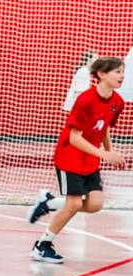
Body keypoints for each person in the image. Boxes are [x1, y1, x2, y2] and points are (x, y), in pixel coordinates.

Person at [29, 56, 126, 263]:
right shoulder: (85, 100)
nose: (122, 75)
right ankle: (42, 245)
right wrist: (104, 154)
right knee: (73, 204)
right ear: (101, 75)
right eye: (117, 71)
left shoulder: (118, 102)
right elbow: (74, 138)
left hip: (90, 159)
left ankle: (49, 202)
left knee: (95, 204)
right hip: (69, 157)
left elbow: (104, 126)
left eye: (122, 71)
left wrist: (110, 151)